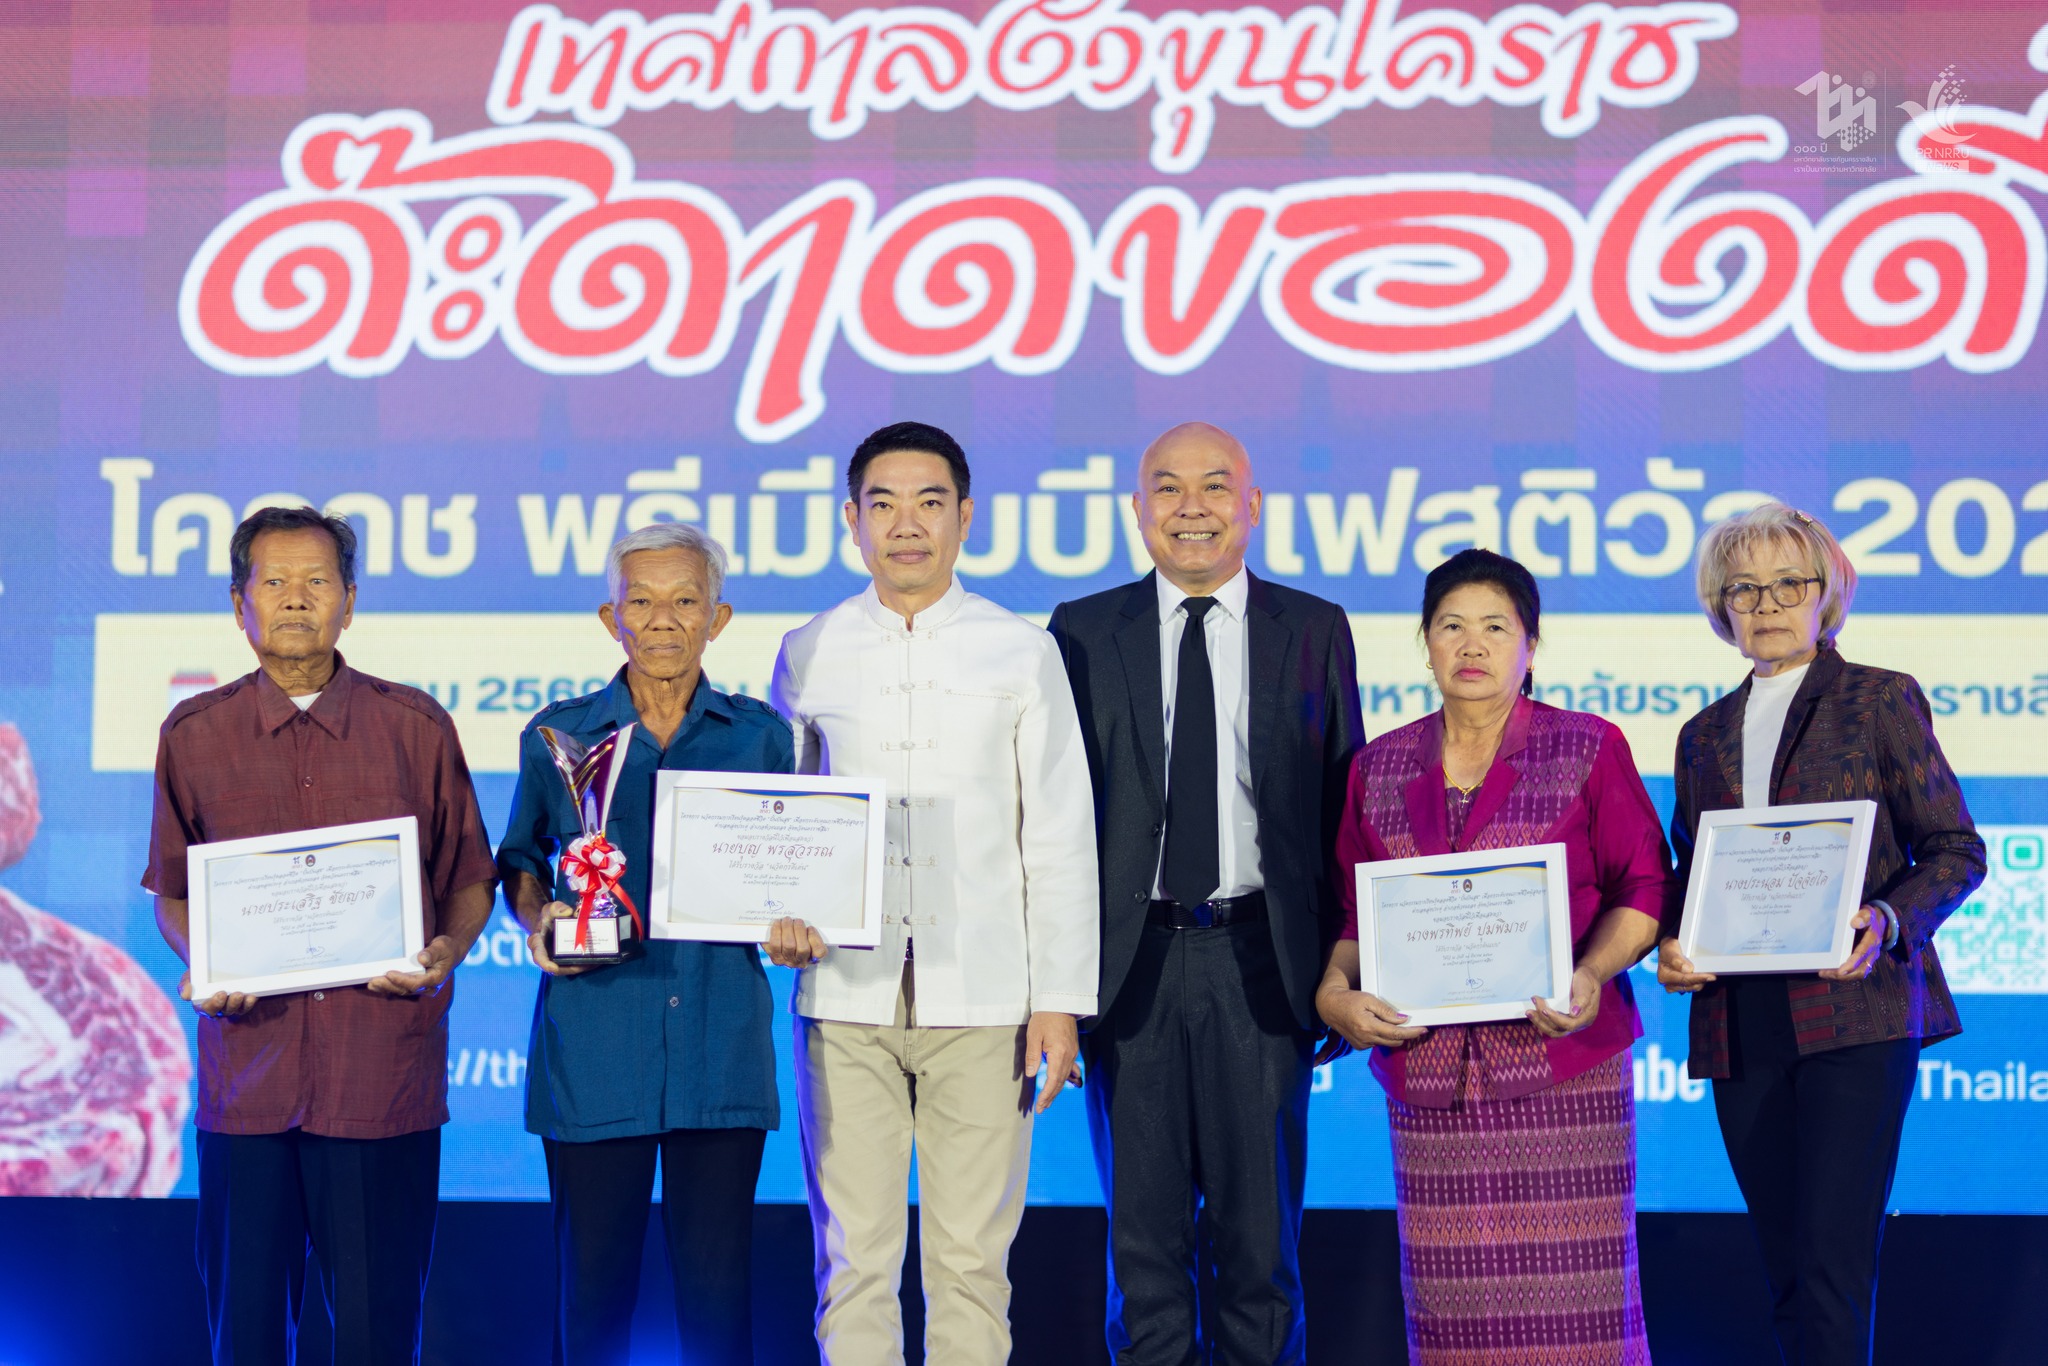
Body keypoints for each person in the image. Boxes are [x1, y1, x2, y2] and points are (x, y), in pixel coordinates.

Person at [766, 420, 1099, 1365]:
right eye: (883, 504)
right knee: (853, 1264)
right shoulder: (809, 650)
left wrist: (1059, 1001)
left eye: (929, 503)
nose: (906, 525)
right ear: (852, 520)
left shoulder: (1020, 650)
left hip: (986, 1002)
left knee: (971, 1267)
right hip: (845, 999)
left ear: (965, 516)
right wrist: (775, 915)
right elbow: (782, 818)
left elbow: (1060, 833)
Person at [144, 506, 498, 1366]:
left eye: (316, 581)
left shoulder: (415, 726)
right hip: (249, 1081)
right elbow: (174, 891)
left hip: (379, 1078)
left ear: (350, 601)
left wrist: (444, 955)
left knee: (378, 1336)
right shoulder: (193, 733)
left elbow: (469, 878)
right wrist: (202, 960)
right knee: (247, 1335)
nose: (295, 599)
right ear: (240, 604)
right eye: (274, 582)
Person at [1046, 421, 1363, 1364]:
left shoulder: (1313, 628)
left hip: (1262, 962)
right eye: (1168, 487)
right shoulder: (1080, 631)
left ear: (1252, 506)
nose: (1193, 508)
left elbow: (1344, 809)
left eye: (1216, 486)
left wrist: (1344, 968)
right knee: (1142, 1258)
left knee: (1262, 1256)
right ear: (1137, 509)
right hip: (1127, 968)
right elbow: (1052, 816)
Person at [1317, 548, 1668, 1366]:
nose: (1471, 645)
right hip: (1429, 1078)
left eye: (1495, 628)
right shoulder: (1377, 768)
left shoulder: (1586, 747)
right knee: (1454, 1313)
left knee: (1578, 1309)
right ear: (1426, 643)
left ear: (1530, 644)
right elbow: (1353, 912)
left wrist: (1591, 973)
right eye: (1451, 626)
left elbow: (1644, 887)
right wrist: (1335, 990)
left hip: (1562, 1070)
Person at [1655, 503, 1985, 1366]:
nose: (1766, 604)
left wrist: (1887, 918)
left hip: (1854, 1016)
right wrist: (1673, 943)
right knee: (1786, 1272)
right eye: (1744, 589)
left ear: (1825, 594)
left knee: (1832, 1266)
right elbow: (1692, 872)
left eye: (1788, 584)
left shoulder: (1878, 698)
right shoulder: (1702, 735)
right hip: (1740, 1023)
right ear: (1721, 605)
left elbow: (1956, 850)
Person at [497, 523, 802, 1366]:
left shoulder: (764, 738)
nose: (663, 619)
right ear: (612, 618)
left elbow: (802, 866)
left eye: (686, 600)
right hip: (596, 1049)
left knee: (718, 1302)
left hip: (718, 1048)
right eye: (642, 601)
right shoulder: (558, 738)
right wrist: (539, 918)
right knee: (592, 1299)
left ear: (718, 617)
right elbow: (519, 860)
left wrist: (802, 924)